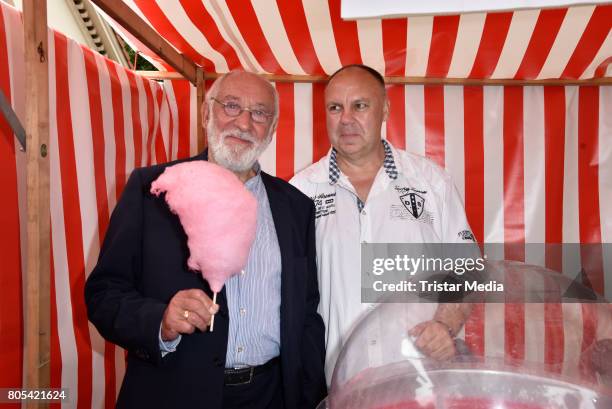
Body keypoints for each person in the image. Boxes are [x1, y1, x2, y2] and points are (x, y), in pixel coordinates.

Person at [85, 71, 326, 409]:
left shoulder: (296, 207)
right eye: (231, 106)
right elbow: (103, 293)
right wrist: (160, 320)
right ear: (205, 113)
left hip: (271, 395)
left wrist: (307, 388)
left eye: (259, 113)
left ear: (271, 129)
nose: (243, 123)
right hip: (174, 393)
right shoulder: (152, 189)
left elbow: (306, 310)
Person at [290, 65, 474, 381]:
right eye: (335, 107)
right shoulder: (299, 193)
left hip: (422, 378)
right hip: (338, 382)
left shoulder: (432, 182)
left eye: (360, 105)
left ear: (385, 109)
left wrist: (445, 325)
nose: (346, 118)